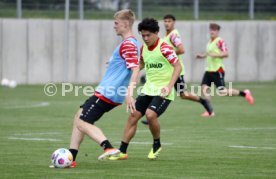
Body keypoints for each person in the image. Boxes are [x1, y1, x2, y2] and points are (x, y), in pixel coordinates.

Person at [51, 9, 140, 168]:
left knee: (82, 122)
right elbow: (129, 64)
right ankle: (71, 159)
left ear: (126, 24)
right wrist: (113, 64)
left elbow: (135, 68)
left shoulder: (128, 44)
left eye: (116, 23)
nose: (114, 26)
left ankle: (108, 147)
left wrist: (129, 93)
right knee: (79, 116)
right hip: (108, 92)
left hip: (108, 92)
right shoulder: (129, 44)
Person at [109, 18, 182, 160]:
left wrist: (169, 86)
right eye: (143, 35)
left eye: (148, 35)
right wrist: (122, 67)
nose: (146, 38)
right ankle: (122, 151)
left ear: (156, 33)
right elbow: (140, 64)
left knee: (150, 114)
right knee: (133, 116)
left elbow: (178, 66)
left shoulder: (165, 48)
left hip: (163, 91)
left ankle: (157, 144)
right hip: (148, 89)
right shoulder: (143, 48)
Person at [141, 14, 213, 124]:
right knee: (178, 94)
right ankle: (152, 116)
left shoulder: (173, 35)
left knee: (182, 94)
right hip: (165, 71)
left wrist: (165, 56)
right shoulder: (166, 35)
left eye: (169, 21)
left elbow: (181, 49)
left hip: (175, 70)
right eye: (165, 21)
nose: (167, 23)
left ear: (174, 22)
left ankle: (203, 101)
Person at [196, 23, 254, 116]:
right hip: (208, 71)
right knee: (204, 88)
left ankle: (245, 93)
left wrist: (215, 55)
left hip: (217, 70)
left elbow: (226, 54)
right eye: (211, 29)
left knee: (222, 92)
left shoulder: (220, 41)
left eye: (214, 30)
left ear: (218, 32)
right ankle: (210, 111)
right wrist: (202, 56)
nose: (212, 31)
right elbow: (209, 54)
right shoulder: (209, 42)